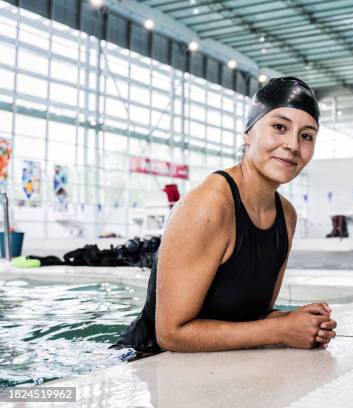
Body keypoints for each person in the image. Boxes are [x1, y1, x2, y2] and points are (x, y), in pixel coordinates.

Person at [111, 77, 336, 356]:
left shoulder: (286, 215)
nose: (292, 144)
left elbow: (254, 315)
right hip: (141, 361)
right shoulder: (209, 205)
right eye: (279, 127)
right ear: (248, 134)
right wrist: (279, 330)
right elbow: (170, 333)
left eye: (306, 136)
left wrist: (300, 323)